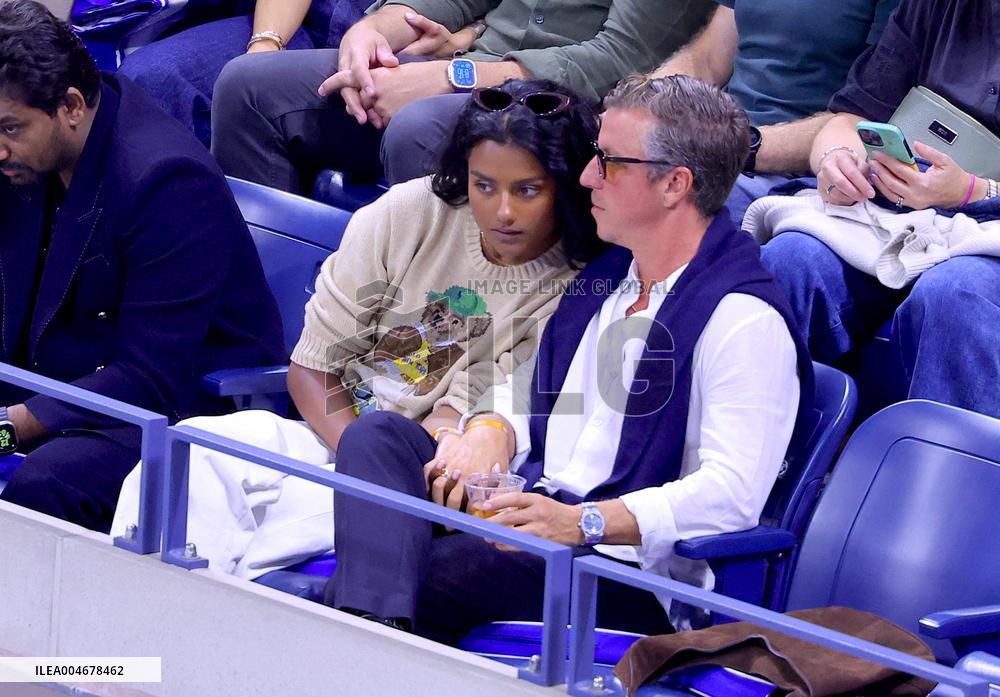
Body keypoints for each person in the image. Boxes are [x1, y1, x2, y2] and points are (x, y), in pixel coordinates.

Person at [325, 75, 813, 642]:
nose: (586, 177)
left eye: (609, 163)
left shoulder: (744, 320)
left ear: (674, 184)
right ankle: (370, 629)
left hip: (630, 572)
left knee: (420, 574)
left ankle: (362, 637)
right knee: (379, 439)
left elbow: (731, 494)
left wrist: (583, 522)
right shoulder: (612, 276)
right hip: (540, 514)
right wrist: (491, 430)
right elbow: (537, 385)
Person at [111, 79, 607, 578]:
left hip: (422, 474)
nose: (503, 211)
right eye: (484, 186)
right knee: (185, 452)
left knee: (260, 535)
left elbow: (465, 415)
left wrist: (377, 467)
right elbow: (311, 368)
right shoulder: (410, 211)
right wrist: (358, 457)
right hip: (331, 432)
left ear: (565, 185)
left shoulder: (576, 286)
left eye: (527, 190)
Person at [0, 0, 285, 532]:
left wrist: (6, 428)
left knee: (46, 483)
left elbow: (149, 375)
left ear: (70, 106)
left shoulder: (167, 180)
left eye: (10, 129)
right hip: (59, 378)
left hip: (170, 408)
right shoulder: (28, 152)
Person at [754, 0, 1000, 417]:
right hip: (896, 214)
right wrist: (838, 161)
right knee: (791, 258)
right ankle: (743, 446)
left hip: (986, 235)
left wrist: (973, 190)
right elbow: (851, 118)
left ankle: (946, 460)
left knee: (954, 294)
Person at [210, 0, 714, 194]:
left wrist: (453, 76)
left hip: (566, 109)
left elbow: (616, 61)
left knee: (420, 128)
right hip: (466, 69)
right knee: (248, 86)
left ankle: (421, 357)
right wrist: (374, 31)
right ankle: (257, 334)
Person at [650, 0, 900, 225]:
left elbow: (865, 110)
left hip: (799, 164)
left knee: (680, 200)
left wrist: (736, 146)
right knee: (631, 174)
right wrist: (642, 101)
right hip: (720, 137)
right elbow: (706, 60)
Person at [118, 0, 371, 147]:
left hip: (362, 40)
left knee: (151, 83)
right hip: (296, 22)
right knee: (145, 82)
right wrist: (264, 45)